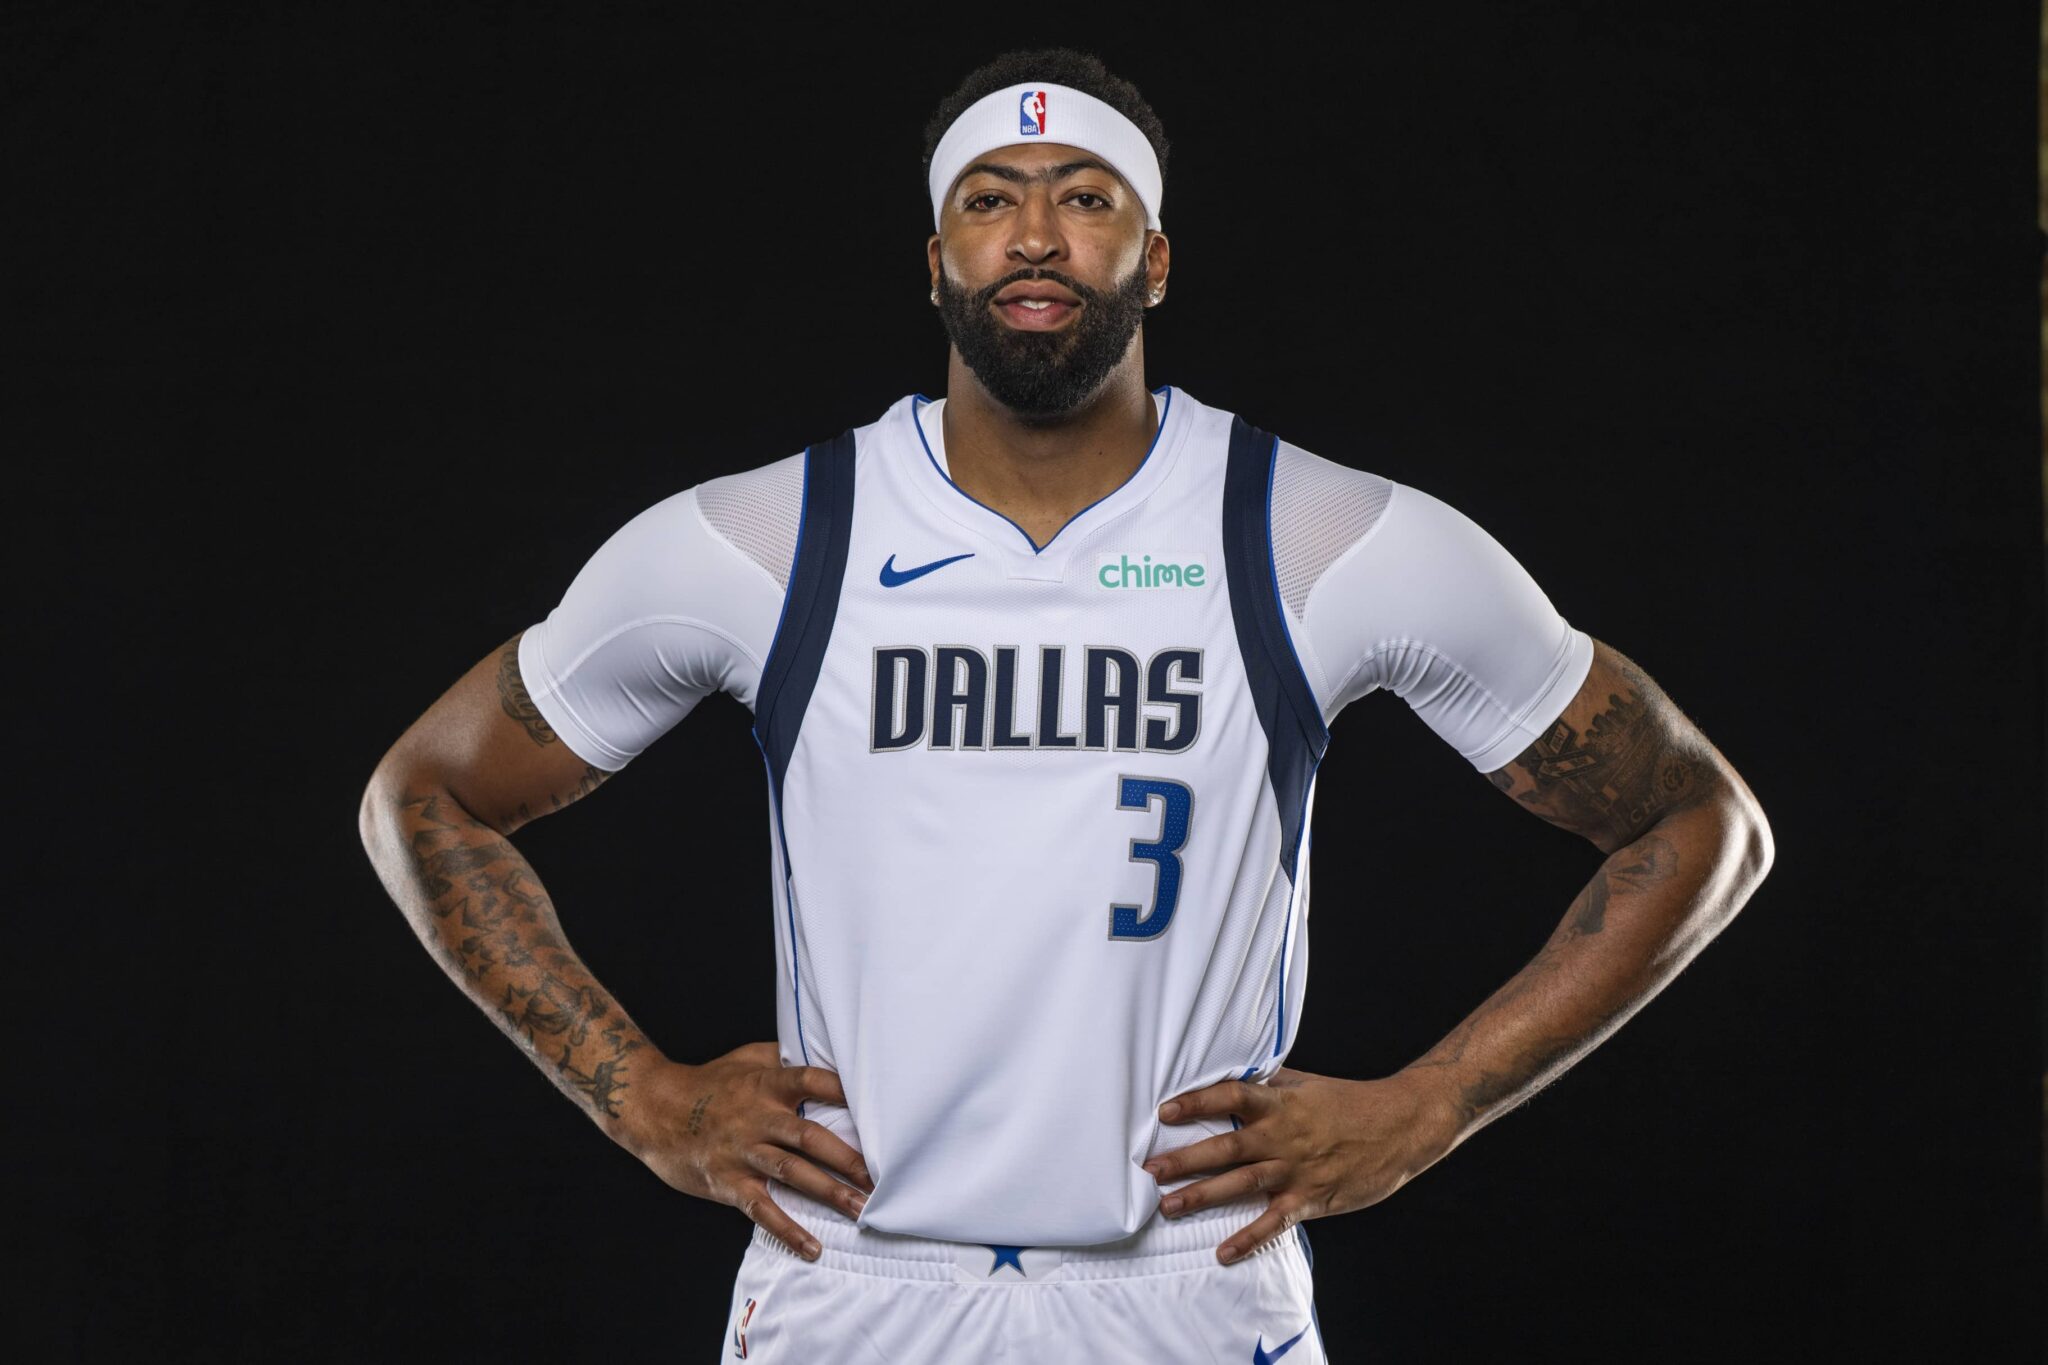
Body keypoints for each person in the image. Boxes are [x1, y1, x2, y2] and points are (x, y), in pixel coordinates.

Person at [359, 47, 1774, 1362]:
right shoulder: (774, 537)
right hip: (856, 1281)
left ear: (1154, 260)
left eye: (1085, 198)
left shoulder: (1316, 533)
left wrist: (1431, 1105)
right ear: (936, 263)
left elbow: (1699, 822)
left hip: (1194, 1281)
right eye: (991, 200)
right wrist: (642, 1097)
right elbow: (425, 794)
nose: (1035, 236)